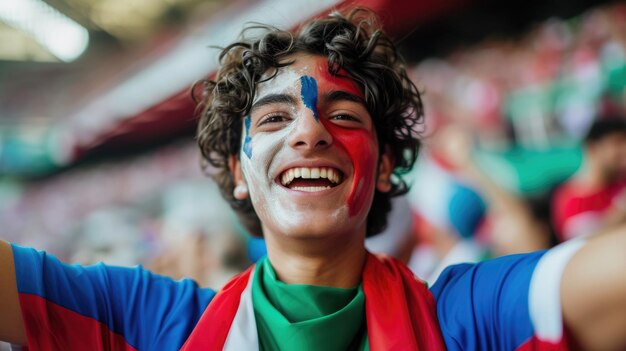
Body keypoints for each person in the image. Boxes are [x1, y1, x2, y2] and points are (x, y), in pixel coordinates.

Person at [1, 8, 625, 351]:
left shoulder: (469, 318)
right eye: (274, 116)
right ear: (240, 172)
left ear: (383, 166)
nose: (309, 131)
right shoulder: (147, 324)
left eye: (344, 114)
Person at [552, 116, 626, 241]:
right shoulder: (572, 199)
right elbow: (584, 242)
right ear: (592, 147)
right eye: (617, 142)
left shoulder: (620, 183)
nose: (624, 150)